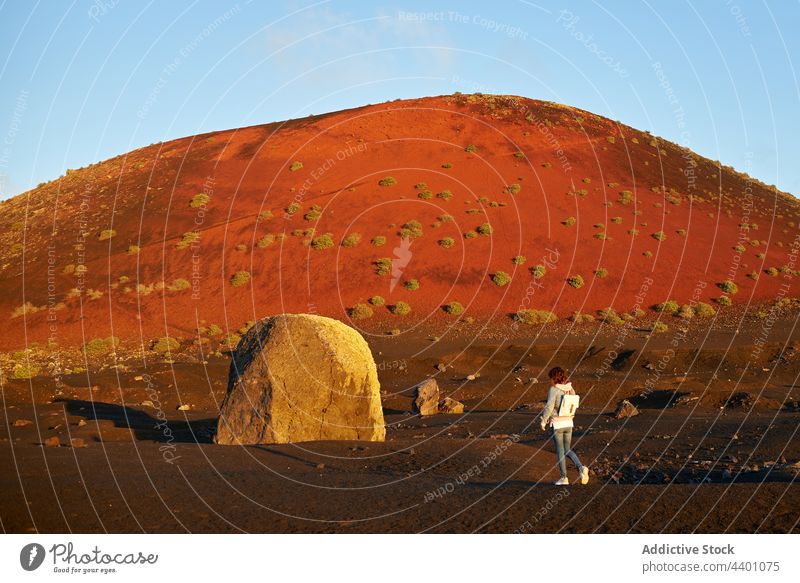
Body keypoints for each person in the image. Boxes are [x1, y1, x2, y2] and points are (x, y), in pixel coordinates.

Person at [540, 366, 589, 485]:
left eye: (550, 378)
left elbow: (549, 406)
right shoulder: (570, 388)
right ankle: (581, 468)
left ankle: (564, 478)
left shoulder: (554, 389)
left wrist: (543, 420)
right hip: (569, 423)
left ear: (553, 378)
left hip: (557, 423)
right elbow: (574, 404)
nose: (550, 380)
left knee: (560, 451)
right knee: (567, 449)